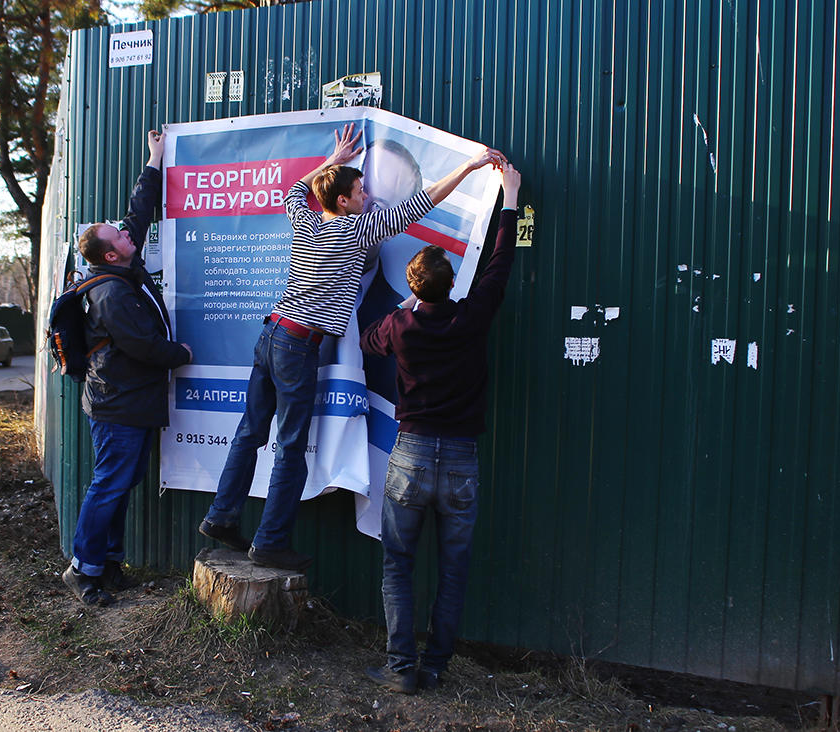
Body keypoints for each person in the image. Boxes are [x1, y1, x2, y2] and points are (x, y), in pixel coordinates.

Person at [198, 121, 505, 571]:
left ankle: (221, 515)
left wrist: (333, 162)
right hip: (298, 345)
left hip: (271, 336)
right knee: (290, 446)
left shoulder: (306, 220)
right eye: (360, 192)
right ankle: (269, 542)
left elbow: (292, 192)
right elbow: (425, 201)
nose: (367, 197)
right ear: (343, 202)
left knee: (250, 430)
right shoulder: (355, 231)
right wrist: (472, 165)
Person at [359, 163, 522, 694]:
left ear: (412, 286)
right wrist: (511, 198)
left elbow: (368, 342)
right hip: (459, 460)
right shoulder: (472, 316)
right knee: (453, 569)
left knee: (397, 563)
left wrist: (406, 304)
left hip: (409, 456)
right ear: (454, 283)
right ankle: (435, 665)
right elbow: (499, 265)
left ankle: (400, 668)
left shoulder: (400, 326)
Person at [61, 130, 194, 606]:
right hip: (117, 403)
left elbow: (138, 211)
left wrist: (155, 158)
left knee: (120, 482)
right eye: (116, 234)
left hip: (130, 401)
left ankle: (108, 564)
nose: (124, 230)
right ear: (112, 253)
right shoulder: (111, 292)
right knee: (109, 484)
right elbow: (141, 345)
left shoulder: (118, 265)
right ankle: (84, 569)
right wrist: (182, 355)